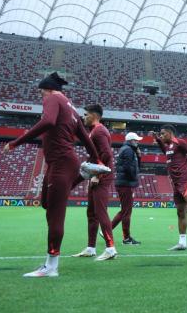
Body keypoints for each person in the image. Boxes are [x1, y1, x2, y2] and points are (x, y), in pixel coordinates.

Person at [3, 72, 101, 277]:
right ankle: (82, 174)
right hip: (60, 162)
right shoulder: (71, 107)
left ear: (47, 89)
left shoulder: (52, 98)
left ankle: (51, 266)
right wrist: (95, 158)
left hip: (62, 162)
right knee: (46, 202)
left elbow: (48, 121)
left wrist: (15, 142)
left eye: (41, 93)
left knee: (55, 214)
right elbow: (84, 136)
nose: (42, 97)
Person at [71, 104, 117, 261]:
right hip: (96, 175)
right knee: (91, 212)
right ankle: (91, 248)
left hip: (102, 176)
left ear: (95, 116)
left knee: (100, 212)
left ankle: (110, 248)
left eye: (86, 115)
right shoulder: (94, 131)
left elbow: (107, 155)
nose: (84, 117)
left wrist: (97, 174)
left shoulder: (99, 131)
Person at [111, 132, 143, 245]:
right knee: (127, 212)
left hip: (124, 183)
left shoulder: (127, 149)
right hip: (126, 184)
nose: (138, 142)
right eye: (136, 140)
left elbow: (137, 166)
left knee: (124, 211)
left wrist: (139, 156)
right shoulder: (128, 150)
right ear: (131, 141)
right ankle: (126, 238)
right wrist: (133, 179)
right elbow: (128, 168)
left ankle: (107, 230)